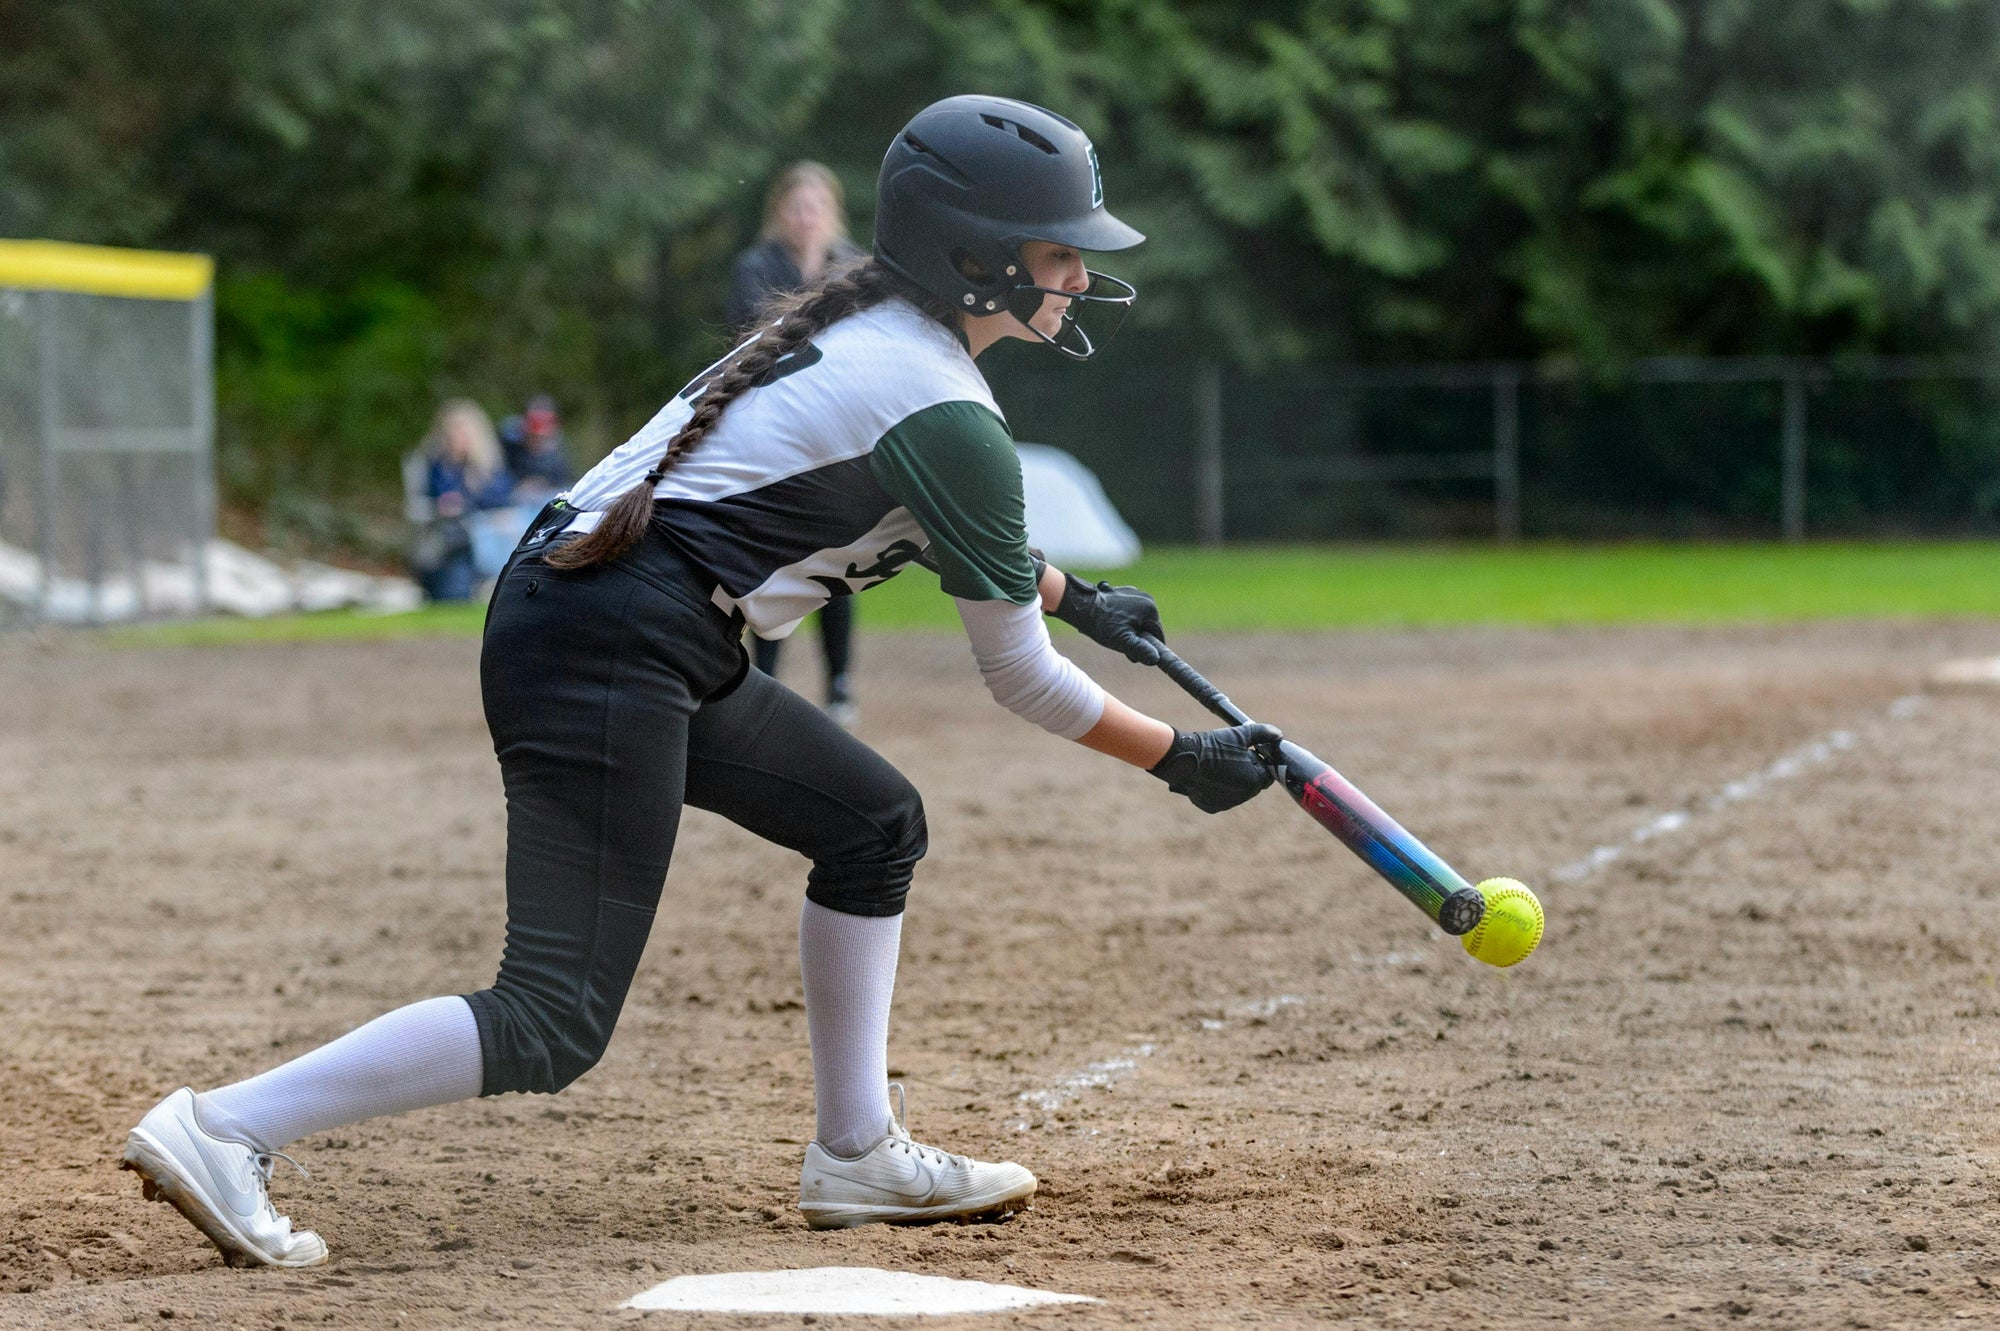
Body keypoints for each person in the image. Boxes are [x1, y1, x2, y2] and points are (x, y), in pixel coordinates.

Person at [118, 95, 1280, 1268]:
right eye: (1056, 248)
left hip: (619, 621)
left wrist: (1072, 594)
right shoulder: (944, 405)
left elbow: (900, 510)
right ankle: (224, 1126)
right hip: (614, 637)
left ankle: (856, 1151)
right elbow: (1019, 679)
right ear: (970, 255)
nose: (1078, 272)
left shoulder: (880, 331)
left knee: (874, 824)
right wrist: (1175, 757)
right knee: (553, 1013)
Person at [728, 161, 867, 724]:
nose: (805, 217)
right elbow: (752, 338)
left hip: (837, 429)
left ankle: (838, 682)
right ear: (778, 213)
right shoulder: (755, 267)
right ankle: (765, 681)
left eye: (815, 206)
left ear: (831, 212)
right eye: (795, 207)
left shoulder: (853, 265)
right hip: (777, 426)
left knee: (840, 553)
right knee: (774, 553)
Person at [409, 400, 515, 602]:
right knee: (451, 592)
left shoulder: (487, 467)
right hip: (449, 538)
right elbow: (427, 500)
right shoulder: (436, 465)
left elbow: (501, 499)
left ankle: (489, 582)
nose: (457, 438)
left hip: (483, 535)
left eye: (463, 432)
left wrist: (470, 494)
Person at [505, 393, 576, 504]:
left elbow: (565, 484)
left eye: (544, 437)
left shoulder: (558, 452)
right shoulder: (509, 443)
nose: (539, 441)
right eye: (534, 436)